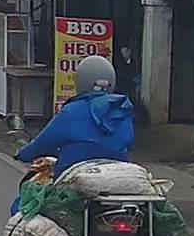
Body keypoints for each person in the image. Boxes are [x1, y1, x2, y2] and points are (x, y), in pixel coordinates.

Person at [10, 54, 134, 216]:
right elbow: (128, 142)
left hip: (71, 180)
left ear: (81, 81)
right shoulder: (123, 111)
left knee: (24, 205)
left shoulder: (70, 111)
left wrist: (23, 154)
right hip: (118, 179)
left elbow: (43, 143)